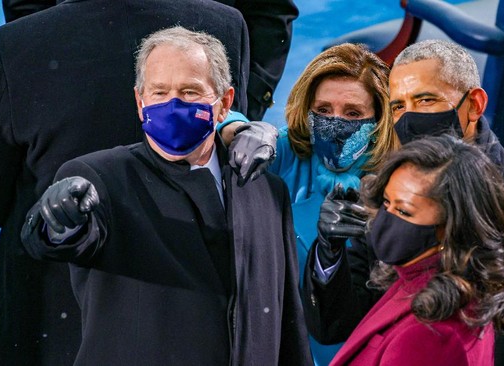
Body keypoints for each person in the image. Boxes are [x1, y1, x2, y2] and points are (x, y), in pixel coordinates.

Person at [0, 1, 250, 364]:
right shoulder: (223, 25)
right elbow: (222, 150)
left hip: (52, 308)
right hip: (190, 302)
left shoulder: (15, 42)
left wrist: (52, 220)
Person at [19, 26, 312, 365]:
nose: (173, 105)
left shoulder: (266, 190)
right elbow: (60, 239)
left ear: (224, 103)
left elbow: (288, 321)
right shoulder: (101, 178)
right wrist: (58, 220)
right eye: (159, 92)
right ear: (139, 101)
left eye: (189, 92)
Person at [302, 39, 504, 366]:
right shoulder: (388, 188)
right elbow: (335, 326)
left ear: (475, 105)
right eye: (398, 106)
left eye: (426, 100)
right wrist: (329, 253)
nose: (409, 119)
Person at [244, 42, 396, 366]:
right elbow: (207, 147)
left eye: (353, 113)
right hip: (278, 341)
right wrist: (236, 128)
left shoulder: (396, 182)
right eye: (323, 110)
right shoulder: (286, 152)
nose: (335, 123)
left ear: (379, 119)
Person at [330, 135, 504, 365]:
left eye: (404, 212)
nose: (384, 218)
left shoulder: (430, 335)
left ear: (451, 227)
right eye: (386, 202)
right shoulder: (428, 281)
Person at [2, 0, 299, 121]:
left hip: (197, 107)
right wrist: (39, 72)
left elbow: (270, 13)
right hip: (76, 102)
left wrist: (237, 107)